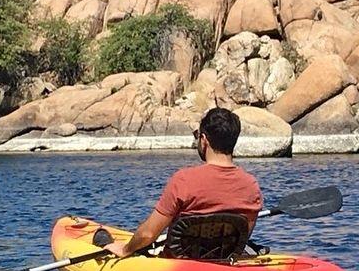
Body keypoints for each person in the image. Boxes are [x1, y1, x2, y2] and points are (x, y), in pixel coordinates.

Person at [104, 107, 263, 258]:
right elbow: (241, 239)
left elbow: (148, 234)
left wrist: (125, 249)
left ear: (203, 140)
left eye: (197, 135)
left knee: (102, 239)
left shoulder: (184, 180)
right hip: (222, 263)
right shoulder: (251, 185)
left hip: (179, 266)